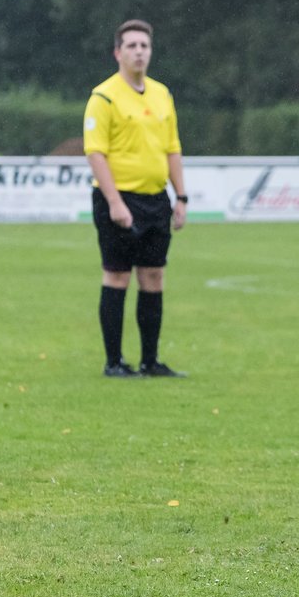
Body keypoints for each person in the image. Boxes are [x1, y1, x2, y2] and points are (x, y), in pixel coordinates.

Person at [83, 19, 187, 378]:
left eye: (144, 45)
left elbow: (172, 148)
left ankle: (150, 361)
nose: (139, 51)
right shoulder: (104, 96)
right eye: (132, 46)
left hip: (155, 199)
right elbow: (95, 153)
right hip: (118, 199)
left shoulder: (162, 94)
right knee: (117, 277)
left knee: (154, 276)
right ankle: (114, 362)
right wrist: (114, 202)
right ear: (118, 52)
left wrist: (181, 196)